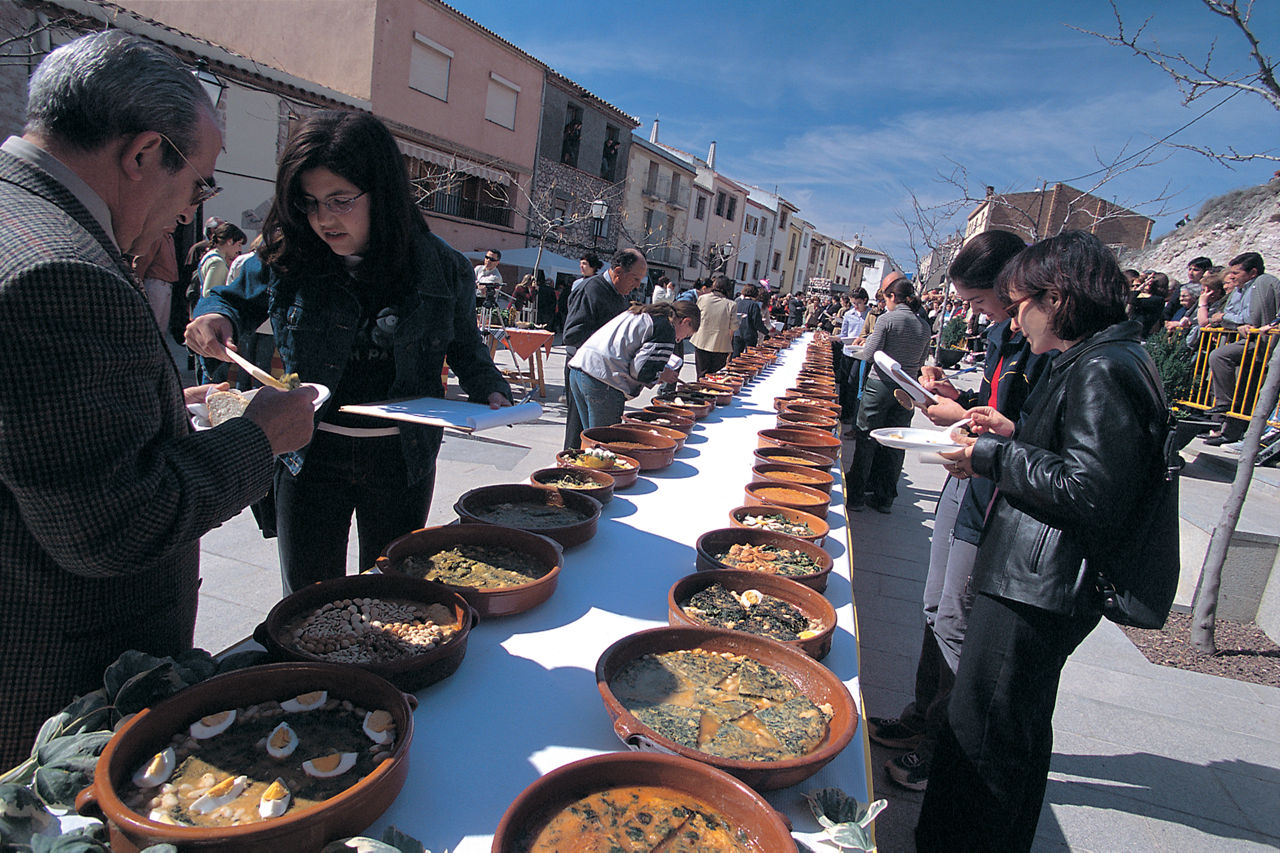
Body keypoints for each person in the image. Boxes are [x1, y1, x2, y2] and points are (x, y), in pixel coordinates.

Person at [0, 31, 316, 767]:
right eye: (199, 182)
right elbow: (111, 526)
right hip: (57, 677)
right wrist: (260, 436)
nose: (190, 212)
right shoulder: (59, 270)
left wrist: (166, 406)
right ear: (144, 155)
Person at [915, 231, 1169, 851]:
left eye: (1019, 301)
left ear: (1056, 299)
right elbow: (1076, 453)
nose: (1013, 316)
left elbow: (1092, 488)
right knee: (1014, 728)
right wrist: (1013, 429)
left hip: (1041, 584)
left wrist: (994, 456)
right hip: (1038, 576)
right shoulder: (1100, 356)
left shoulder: (1105, 366)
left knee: (987, 731)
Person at [187, 111, 510, 594]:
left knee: (391, 591)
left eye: (340, 200)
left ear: (383, 193)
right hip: (309, 453)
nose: (323, 219)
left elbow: (464, 346)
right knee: (309, 596)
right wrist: (216, 316)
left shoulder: (440, 266)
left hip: (401, 457)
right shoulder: (289, 254)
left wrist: (491, 387)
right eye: (310, 202)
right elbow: (230, 299)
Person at [863, 230, 1053, 793]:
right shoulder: (1005, 335)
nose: (977, 315)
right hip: (966, 483)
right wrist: (957, 399)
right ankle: (922, 716)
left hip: (993, 492)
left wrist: (973, 423)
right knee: (932, 607)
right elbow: (995, 409)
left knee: (956, 621)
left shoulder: (1046, 348)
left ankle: (940, 745)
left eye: (978, 302)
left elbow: (1035, 436)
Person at [844, 273, 932, 513]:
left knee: (867, 438)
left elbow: (870, 355)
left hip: (881, 384)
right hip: (907, 389)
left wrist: (861, 347)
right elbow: (922, 359)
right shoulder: (924, 325)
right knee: (896, 443)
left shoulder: (887, 320)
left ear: (893, 296)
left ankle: (857, 496)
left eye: (886, 297)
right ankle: (885, 498)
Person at [567, 301, 700, 440]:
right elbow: (640, 371)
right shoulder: (666, 327)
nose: (679, 339)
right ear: (685, 321)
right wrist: (661, 375)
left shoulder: (644, 314)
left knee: (591, 438)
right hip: (604, 379)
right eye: (685, 335)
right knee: (603, 440)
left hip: (581, 368)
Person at [562, 247, 648, 448]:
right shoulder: (592, 288)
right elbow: (572, 334)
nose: (637, 285)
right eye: (635, 279)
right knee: (578, 431)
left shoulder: (619, 293)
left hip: (604, 373)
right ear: (618, 271)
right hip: (584, 368)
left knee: (590, 433)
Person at [1204, 251, 1280, 444]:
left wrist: (1230, 320)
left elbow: (1252, 318)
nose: (1232, 276)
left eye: (1237, 272)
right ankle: (1226, 425)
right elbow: (1230, 315)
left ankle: (1226, 410)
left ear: (1252, 272)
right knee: (1241, 383)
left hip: (1261, 343)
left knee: (1221, 358)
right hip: (1246, 341)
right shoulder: (1240, 290)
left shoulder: (1265, 283)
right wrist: (1235, 323)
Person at [689, 275, 736, 376]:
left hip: (701, 340)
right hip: (720, 344)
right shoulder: (731, 304)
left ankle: (700, 391)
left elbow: (696, 316)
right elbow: (734, 327)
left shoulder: (703, 299)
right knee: (715, 377)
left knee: (701, 374)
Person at [836, 288, 870, 429]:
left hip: (860, 353)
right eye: (853, 303)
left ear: (865, 301)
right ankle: (842, 411)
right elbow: (843, 334)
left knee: (853, 383)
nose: (855, 306)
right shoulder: (849, 314)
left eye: (858, 303)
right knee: (844, 382)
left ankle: (849, 414)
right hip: (848, 351)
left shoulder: (870, 315)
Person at [731, 282, 770, 357]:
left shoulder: (737, 303)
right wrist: (766, 332)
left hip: (737, 333)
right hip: (750, 335)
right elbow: (757, 322)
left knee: (735, 356)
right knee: (749, 357)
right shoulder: (754, 305)